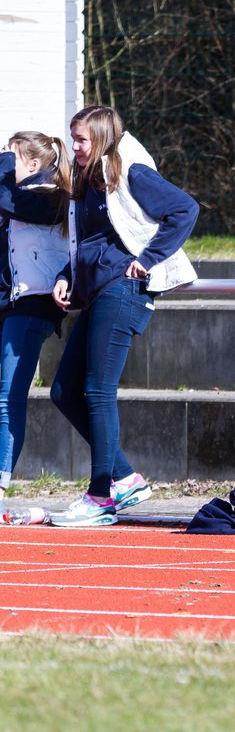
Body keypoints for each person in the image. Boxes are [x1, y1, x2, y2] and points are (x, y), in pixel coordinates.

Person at [48, 106, 199, 527]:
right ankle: (125, 477)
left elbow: (184, 209)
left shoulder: (130, 170)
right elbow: (89, 240)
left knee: (97, 390)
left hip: (125, 290)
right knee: (63, 391)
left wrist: (149, 259)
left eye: (81, 140)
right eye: (72, 138)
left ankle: (101, 497)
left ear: (100, 138)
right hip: (97, 290)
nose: (74, 147)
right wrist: (67, 276)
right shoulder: (84, 178)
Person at [0, 132, 72, 504]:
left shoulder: (48, 195)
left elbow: (8, 198)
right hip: (11, 303)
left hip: (34, 303)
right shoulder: (15, 198)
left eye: (8, 155)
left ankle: (1, 478)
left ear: (31, 164)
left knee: (8, 395)